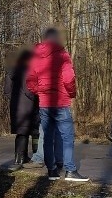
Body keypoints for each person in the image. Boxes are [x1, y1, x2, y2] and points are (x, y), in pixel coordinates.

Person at [25, 28, 89, 182]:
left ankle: (52, 171)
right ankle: (70, 171)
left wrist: (40, 92)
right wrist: (72, 94)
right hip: (61, 102)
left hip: (45, 104)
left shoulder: (35, 57)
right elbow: (68, 79)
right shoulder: (62, 54)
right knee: (67, 137)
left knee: (47, 137)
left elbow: (30, 81)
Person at [4, 49, 39, 170]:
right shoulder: (28, 70)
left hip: (16, 105)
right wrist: (36, 99)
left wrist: (13, 99)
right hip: (28, 104)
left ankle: (20, 157)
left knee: (21, 132)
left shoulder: (12, 70)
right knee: (34, 130)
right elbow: (29, 89)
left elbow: (7, 90)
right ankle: (32, 158)